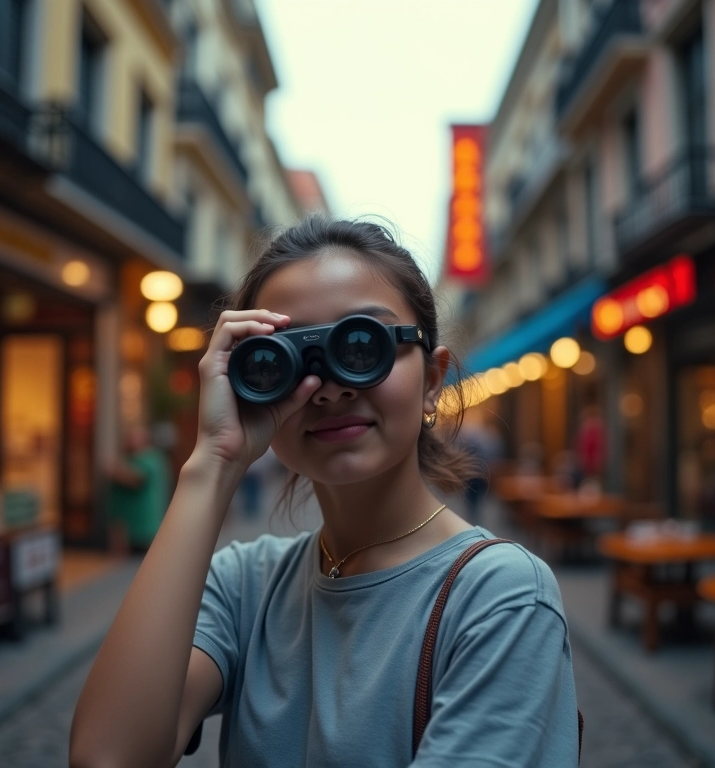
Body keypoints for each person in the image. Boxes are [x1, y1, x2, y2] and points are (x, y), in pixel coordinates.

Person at [70, 217, 579, 766]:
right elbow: (109, 757)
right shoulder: (245, 587)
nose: (331, 387)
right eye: (286, 357)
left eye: (363, 346)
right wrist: (213, 464)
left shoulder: (498, 597)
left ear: (432, 380)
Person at [106, 424, 171, 553]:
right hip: (127, 527)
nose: (130, 440)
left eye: (134, 437)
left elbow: (136, 479)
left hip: (145, 527)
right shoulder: (131, 458)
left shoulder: (150, 457)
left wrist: (114, 470)